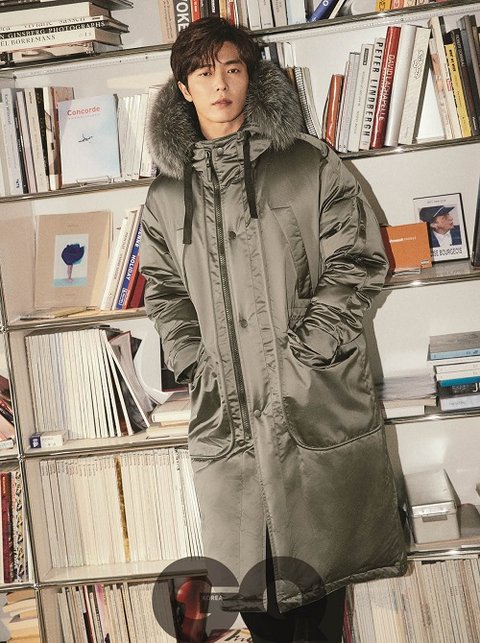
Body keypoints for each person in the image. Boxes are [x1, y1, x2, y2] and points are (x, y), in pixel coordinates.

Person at [139, 17, 407, 643]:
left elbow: (359, 260)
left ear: (250, 77)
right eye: (204, 73)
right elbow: (164, 289)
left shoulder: (307, 164)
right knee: (251, 590)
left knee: (321, 588)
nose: (220, 84)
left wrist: (308, 349)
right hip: (228, 417)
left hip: (309, 403)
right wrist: (194, 357)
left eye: (232, 69)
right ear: (184, 89)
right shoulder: (167, 194)